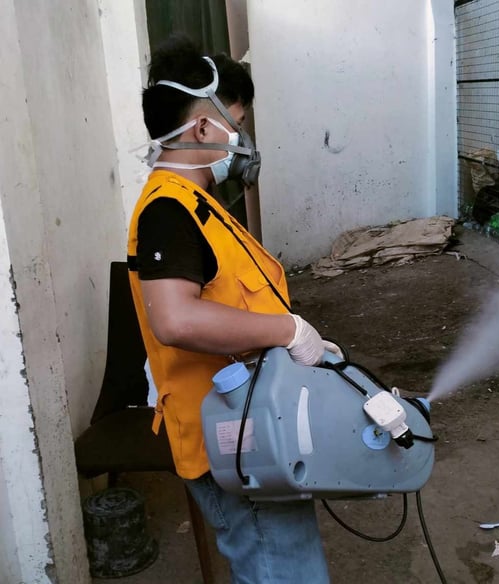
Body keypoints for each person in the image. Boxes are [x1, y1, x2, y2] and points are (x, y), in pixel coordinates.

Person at [127, 35, 332, 583]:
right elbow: (176, 320)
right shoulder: (168, 210)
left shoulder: (196, 204)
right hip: (230, 439)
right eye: (235, 124)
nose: (241, 141)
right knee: (280, 570)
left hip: (252, 424)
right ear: (201, 129)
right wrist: (286, 330)